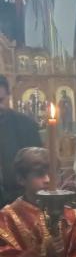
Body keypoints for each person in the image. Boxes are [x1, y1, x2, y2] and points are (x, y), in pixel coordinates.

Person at [0, 75, 42, 208]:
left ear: (8, 96)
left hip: (18, 198)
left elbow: (37, 164)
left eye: (1, 100)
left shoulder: (26, 125)